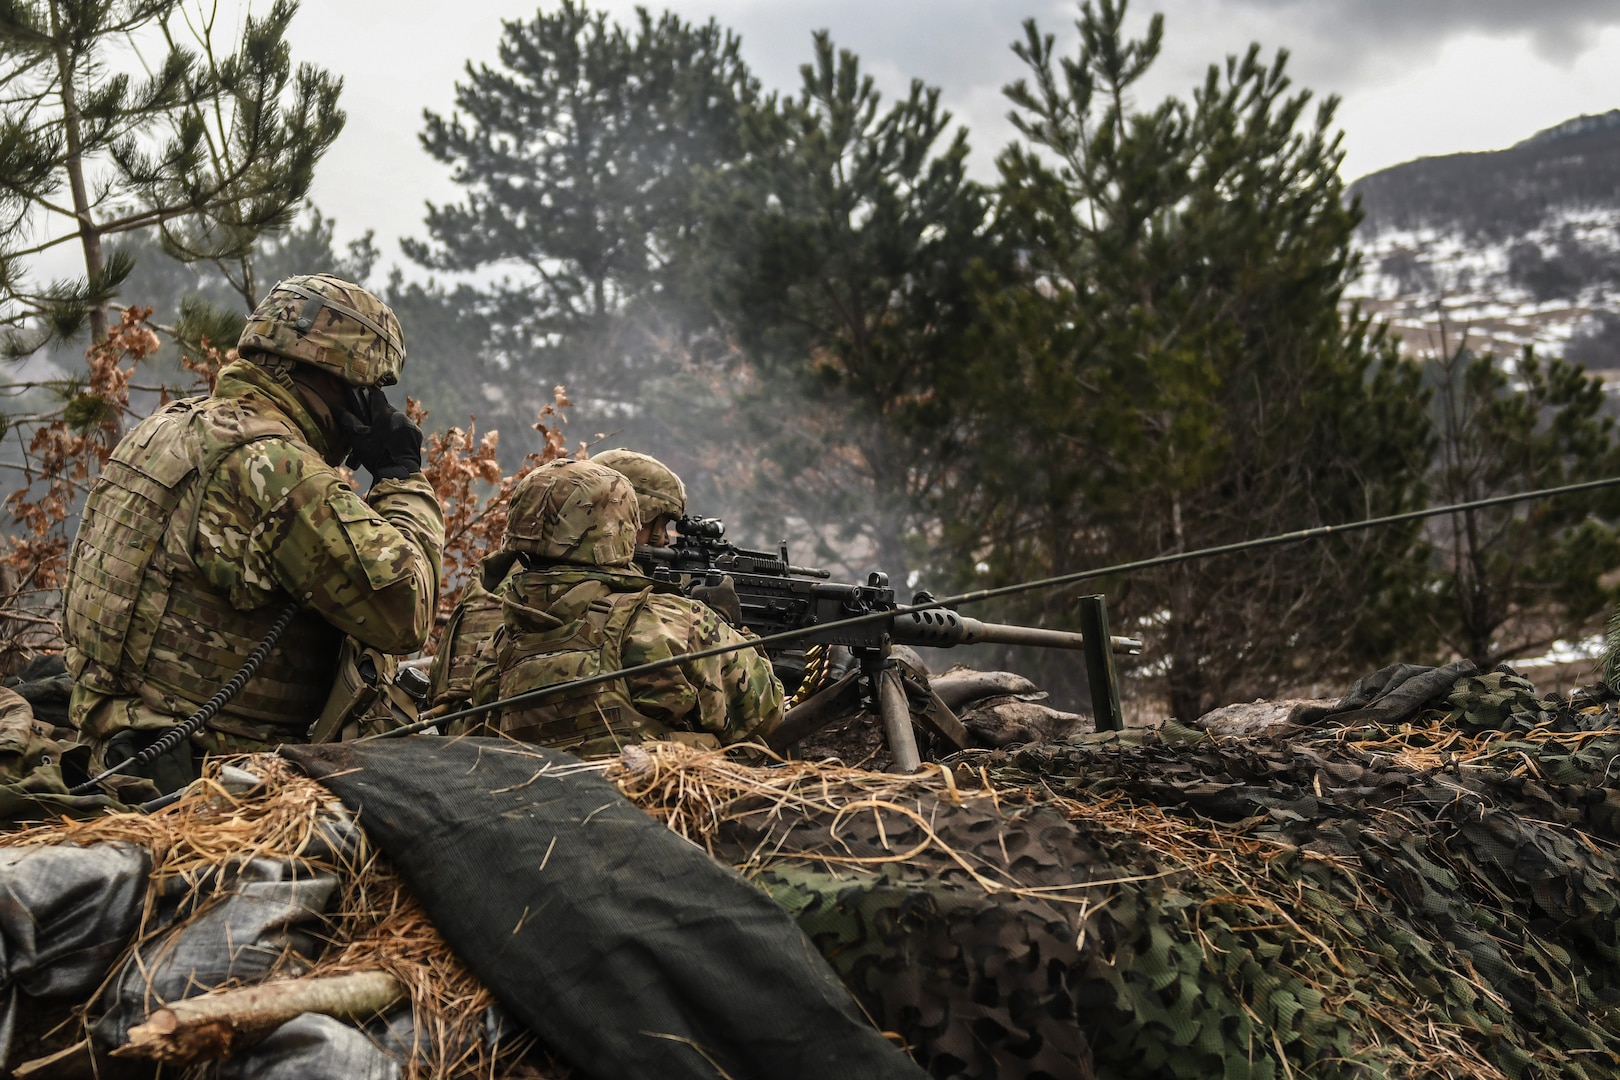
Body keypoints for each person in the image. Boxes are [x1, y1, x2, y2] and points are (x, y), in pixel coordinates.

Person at [62, 275, 445, 793]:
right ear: (342, 383)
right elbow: (407, 610)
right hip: (200, 779)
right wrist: (402, 479)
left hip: (107, 748)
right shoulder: (277, 468)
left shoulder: (162, 427)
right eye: (369, 391)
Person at [469, 458, 782, 755]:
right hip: (659, 806)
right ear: (618, 530)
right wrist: (724, 626)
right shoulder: (667, 624)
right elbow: (766, 711)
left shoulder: (498, 648)